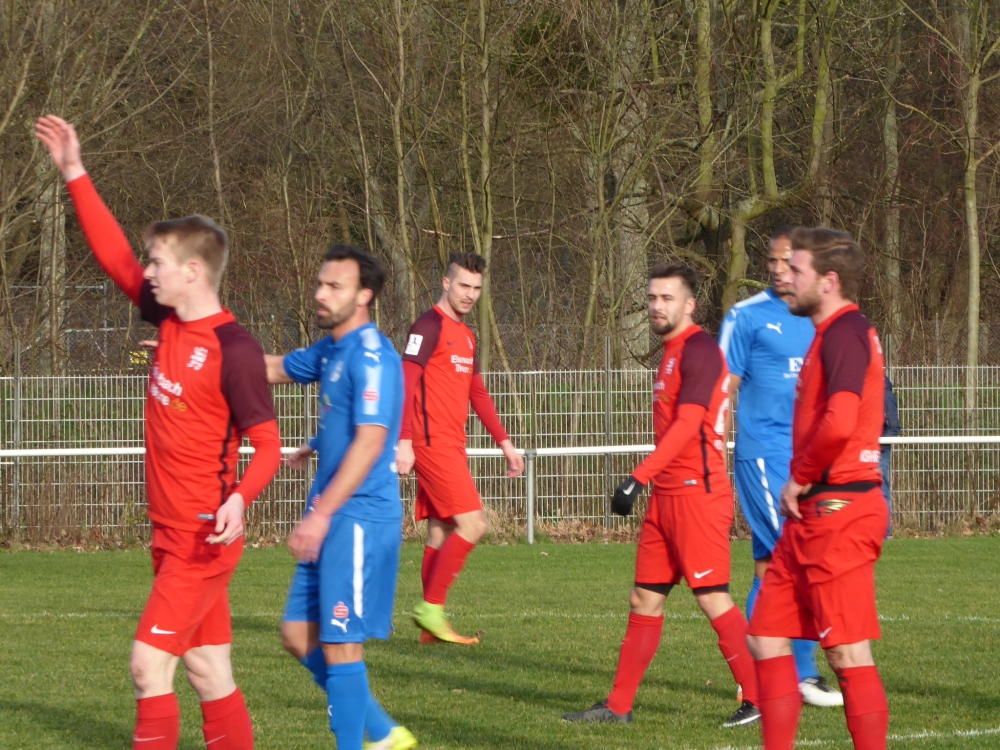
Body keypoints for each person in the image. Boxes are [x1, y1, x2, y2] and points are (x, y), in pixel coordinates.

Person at [35, 115, 283, 750]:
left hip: (202, 538)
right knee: (209, 672)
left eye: (159, 262)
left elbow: (268, 444)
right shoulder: (169, 321)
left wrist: (239, 500)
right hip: (169, 534)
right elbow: (115, 257)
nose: (147, 272)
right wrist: (74, 171)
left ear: (193, 271)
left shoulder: (235, 350)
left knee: (149, 667)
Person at [562, 262, 761, 728]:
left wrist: (638, 477)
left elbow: (689, 425)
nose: (656, 306)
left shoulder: (700, 351)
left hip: (697, 496)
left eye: (667, 298)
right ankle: (618, 706)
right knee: (644, 599)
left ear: (690, 305)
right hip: (667, 498)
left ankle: (760, 696)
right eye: (652, 297)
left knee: (711, 596)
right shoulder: (671, 352)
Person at [264, 245, 415, 750]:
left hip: (357, 516)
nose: (320, 294)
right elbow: (273, 368)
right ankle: (384, 732)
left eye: (335, 286)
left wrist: (320, 515)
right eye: (320, 283)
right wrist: (192, 351)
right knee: (297, 635)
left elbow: (372, 440)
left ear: (364, 295)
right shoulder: (331, 348)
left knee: (341, 645)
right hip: (331, 515)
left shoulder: (373, 356)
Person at [747, 227, 889, 750]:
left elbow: (841, 420)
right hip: (811, 515)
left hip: (840, 509)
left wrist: (801, 476)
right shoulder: (827, 334)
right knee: (766, 637)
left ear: (828, 281)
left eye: (796, 270)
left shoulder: (847, 333)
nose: (784, 276)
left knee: (847, 653)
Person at [718, 228, 843, 708]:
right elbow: (721, 389)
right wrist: (713, 450)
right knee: (798, 557)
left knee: (768, 566)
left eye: (787, 261)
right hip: (764, 454)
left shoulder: (816, 315)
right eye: (771, 260)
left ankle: (761, 678)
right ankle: (802, 675)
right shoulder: (746, 315)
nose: (777, 269)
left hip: (806, 458)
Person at [396, 252, 524, 644]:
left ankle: (429, 633)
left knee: (440, 531)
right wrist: (404, 441)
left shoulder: (467, 336)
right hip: (430, 443)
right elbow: (405, 382)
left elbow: (476, 392)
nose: (470, 294)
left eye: (476, 288)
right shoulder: (428, 326)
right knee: (474, 524)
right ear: (446, 283)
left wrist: (505, 443)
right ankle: (431, 608)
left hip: (452, 443)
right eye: (464, 285)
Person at [881, 374, 901, 535]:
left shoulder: (886, 396)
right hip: (865, 449)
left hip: (879, 450)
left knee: (881, 490)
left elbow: (894, 428)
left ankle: (885, 532)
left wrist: (879, 445)